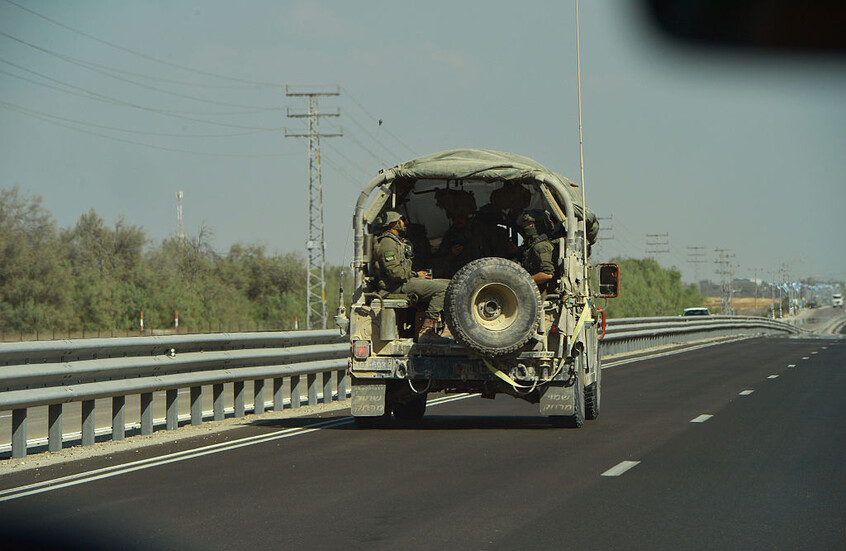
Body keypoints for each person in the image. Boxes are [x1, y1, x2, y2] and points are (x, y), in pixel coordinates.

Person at [374, 210, 450, 344]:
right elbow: (395, 273)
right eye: (401, 220)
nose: (404, 223)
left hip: (403, 282)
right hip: (396, 286)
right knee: (442, 290)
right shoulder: (387, 243)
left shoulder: (396, 241)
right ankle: (427, 330)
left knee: (452, 284)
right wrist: (416, 274)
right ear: (393, 223)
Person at [520, 210, 557, 295]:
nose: (525, 226)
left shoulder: (541, 246)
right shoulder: (531, 245)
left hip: (542, 294)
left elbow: (547, 274)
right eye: (525, 223)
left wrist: (523, 281)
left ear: (538, 225)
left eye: (529, 223)